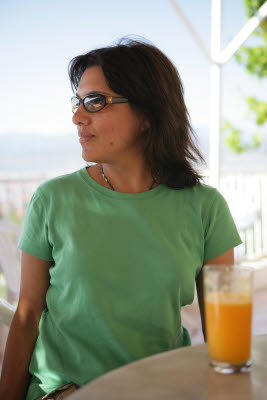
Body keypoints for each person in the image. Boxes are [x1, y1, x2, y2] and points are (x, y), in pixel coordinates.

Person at [0, 37, 242, 400]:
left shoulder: (206, 208)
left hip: (164, 389)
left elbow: (223, 335)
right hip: (69, 391)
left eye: (95, 102)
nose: (77, 116)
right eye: (77, 102)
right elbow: (27, 315)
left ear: (148, 115)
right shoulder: (53, 200)